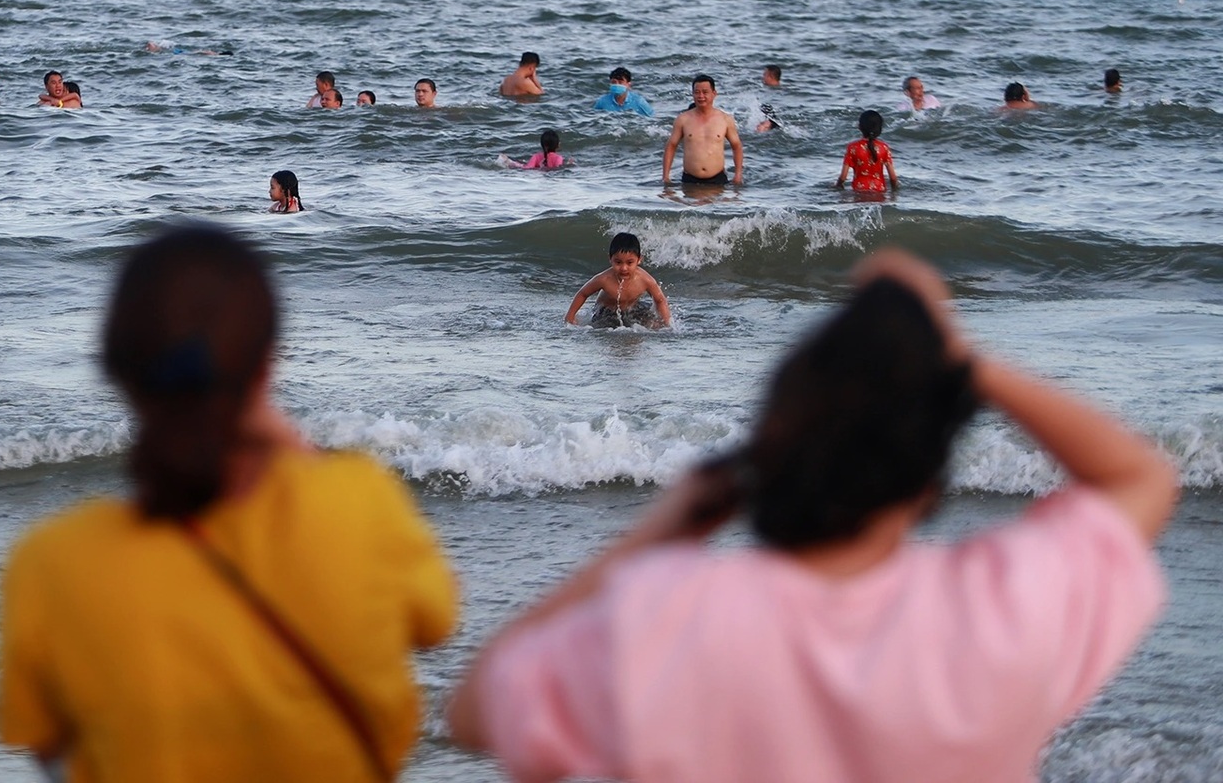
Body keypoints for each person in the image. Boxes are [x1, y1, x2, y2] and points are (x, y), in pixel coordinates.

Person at [449, 249, 1175, 783]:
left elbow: (478, 711)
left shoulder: (666, 616)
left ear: (760, 459)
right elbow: (1139, 475)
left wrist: (666, 527)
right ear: (928, 487)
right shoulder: (1002, 610)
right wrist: (952, 354)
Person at [0, 225, 456, 781]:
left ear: (118, 374)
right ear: (266, 364)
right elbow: (435, 622)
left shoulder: (49, 563)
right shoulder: (361, 501)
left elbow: (46, 745)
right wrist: (283, 434)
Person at [564, 232, 671, 329]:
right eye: (618, 262)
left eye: (629, 263)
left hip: (633, 308)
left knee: (652, 324)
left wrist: (666, 323)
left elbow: (660, 300)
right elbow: (583, 293)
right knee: (606, 329)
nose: (624, 268)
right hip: (606, 311)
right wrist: (570, 316)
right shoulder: (604, 279)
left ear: (639, 260)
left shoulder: (645, 279)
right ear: (610, 259)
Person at [662, 75, 743, 188]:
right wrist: (665, 176)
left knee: (718, 205)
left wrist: (738, 175)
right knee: (688, 204)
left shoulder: (725, 119)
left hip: (717, 179)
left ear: (714, 94)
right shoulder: (683, 119)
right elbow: (671, 146)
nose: (701, 96)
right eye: (697, 92)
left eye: (705, 92)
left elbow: (737, 146)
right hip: (689, 179)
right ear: (693, 94)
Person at [836, 110, 899, 195]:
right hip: (879, 191)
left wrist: (837, 187)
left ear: (859, 127)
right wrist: (894, 193)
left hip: (859, 190)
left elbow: (843, 177)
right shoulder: (884, 148)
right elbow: (893, 178)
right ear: (879, 128)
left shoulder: (853, 147)